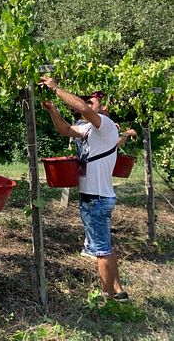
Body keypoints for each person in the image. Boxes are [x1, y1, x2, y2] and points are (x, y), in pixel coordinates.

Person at [39, 76, 129, 302]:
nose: (87, 103)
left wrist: (56, 88)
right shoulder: (85, 128)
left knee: (101, 249)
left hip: (98, 197)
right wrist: (52, 111)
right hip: (93, 197)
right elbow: (65, 130)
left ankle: (106, 296)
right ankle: (118, 291)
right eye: (86, 100)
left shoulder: (105, 125)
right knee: (105, 245)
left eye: (92, 101)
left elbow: (81, 108)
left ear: (103, 107)